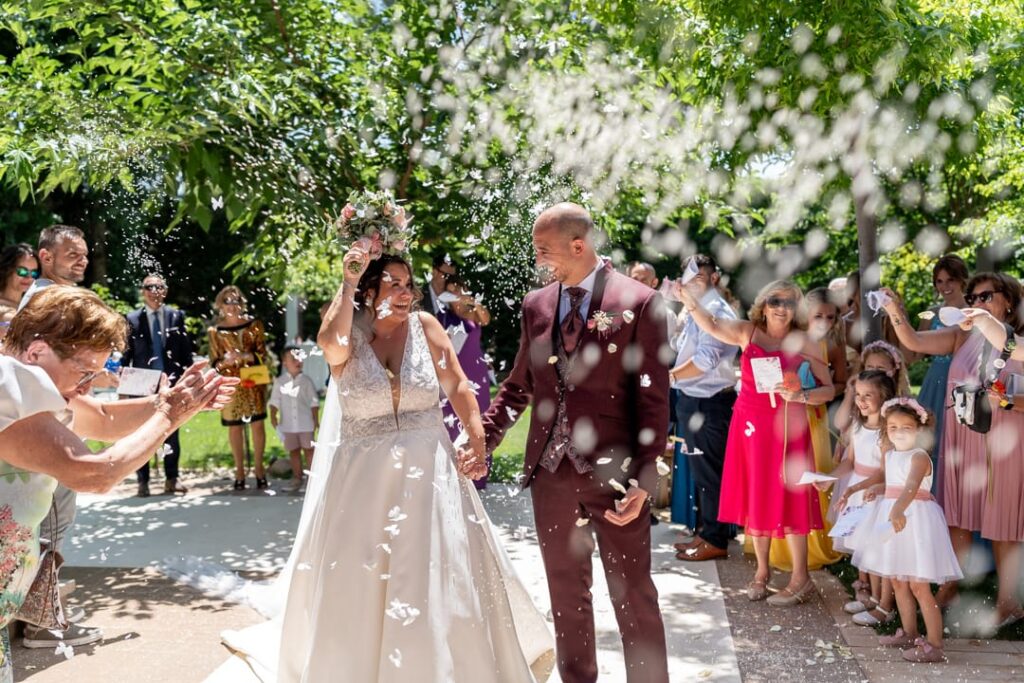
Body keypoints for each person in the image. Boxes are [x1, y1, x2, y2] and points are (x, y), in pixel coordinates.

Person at [217, 241, 554, 680]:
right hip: (362, 485)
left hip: (431, 476)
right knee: (363, 578)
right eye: (391, 283)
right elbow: (327, 343)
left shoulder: (427, 326)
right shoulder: (347, 336)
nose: (403, 291)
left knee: (434, 572)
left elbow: (458, 387)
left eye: (408, 284)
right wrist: (349, 276)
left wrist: (477, 442)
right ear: (369, 291)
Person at [0, 285, 235, 680]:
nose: (89, 385)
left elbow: (105, 419)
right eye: (84, 371)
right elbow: (95, 472)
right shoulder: (9, 387)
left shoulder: (40, 390)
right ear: (36, 351)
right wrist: (170, 417)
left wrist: (171, 402)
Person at [483, 203, 670, 683]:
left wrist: (645, 481)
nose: (538, 259)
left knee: (633, 594)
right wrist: (485, 439)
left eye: (544, 250)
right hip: (552, 475)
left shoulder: (641, 302)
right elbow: (519, 382)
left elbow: (654, 399)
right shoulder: (537, 304)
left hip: (616, 476)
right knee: (566, 596)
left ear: (578, 245)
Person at [880, 274, 1024, 627]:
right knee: (957, 514)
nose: (975, 304)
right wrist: (894, 309)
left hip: (1005, 438)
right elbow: (912, 341)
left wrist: (1004, 402)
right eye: (972, 298)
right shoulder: (962, 335)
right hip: (963, 438)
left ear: (1008, 300)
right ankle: (949, 587)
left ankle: (1009, 603)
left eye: (985, 296)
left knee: (1002, 521)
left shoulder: (1018, 343)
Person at [680, 279, 834, 606]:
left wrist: (802, 395)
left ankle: (800, 578)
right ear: (764, 303)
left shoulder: (804, 341)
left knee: (792, 496)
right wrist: (690, 302)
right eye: (775, 300)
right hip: (749, 427)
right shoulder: (747, 332)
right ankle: (762, 572)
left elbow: (829, 389)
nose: (782, 308)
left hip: (788, 429)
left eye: (790, 302)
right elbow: (712, 324)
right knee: (757, 496)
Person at [844, 398, 963, 663]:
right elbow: (893, 484)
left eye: (906, 427)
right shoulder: (891, 455)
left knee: (919, 585)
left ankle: (934, 643)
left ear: (920, 430)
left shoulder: (919, 456)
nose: (899, 432)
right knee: (897, 581)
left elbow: (910, 487)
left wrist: (897, 508)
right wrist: (877, 490)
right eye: (893, 427)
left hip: (915, 520)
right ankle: (909, 632)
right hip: (895, 520)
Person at [669, 254, 738, 562]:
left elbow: (706, 361)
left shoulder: (716, 309)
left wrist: (669, 376)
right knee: (701, 472)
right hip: (694, 400)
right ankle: (705, 532)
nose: (691, 286)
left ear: (713, 279)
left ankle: (716, 540)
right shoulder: (696, 310)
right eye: (688, 279)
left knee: (711, 474)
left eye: (698, 279)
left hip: (708, 403)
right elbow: (682, 347)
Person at [821, 370, 897, 626]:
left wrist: (861, 489)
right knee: (865, 549)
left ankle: (884, 605)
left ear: (884, 397)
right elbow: (851, 462)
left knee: (877, 550)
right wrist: (830, 477)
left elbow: (886, 472)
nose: (862, 401)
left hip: (876, 494)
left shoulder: (887, 432)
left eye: (868, 395)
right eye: (858, 395)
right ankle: (872, 599)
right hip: (857, 491)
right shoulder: (857, 426)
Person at [121, 273, 195, 497]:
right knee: (141, 433)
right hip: (141, 384)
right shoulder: (132, 319)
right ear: (142, 291)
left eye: (159, 286)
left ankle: (172, 478)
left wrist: (189, 380)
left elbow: (184, 351)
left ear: (166, 290)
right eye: (149, 287)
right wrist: (123, 388)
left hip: (170, 382)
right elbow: (126, 355)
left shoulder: (176, 316)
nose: (154, 291)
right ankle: (142, 481)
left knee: (171, 430)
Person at [425, 255, 493, 488]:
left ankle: (477, 475)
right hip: (449, 375)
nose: (448, 280)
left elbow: (485, 319)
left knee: (477, 418)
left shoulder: (468, 308)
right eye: (444, 274)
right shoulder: (440, 312)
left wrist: (467, 299)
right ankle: (450, 475)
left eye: (452, 277)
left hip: (475, 374)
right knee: (449, 421)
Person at [915, 254, 969, 500]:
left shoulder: (975, 312)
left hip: (963, 381)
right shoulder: (930, 314)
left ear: (962, 280)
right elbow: (914, 353)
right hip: (935, 381)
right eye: (939, 281)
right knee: (930, 441)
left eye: (951, 280)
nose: (945, 286)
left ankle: (959, 502)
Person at [208, 286, 270, 490]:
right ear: (220, 305)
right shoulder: (215, 331)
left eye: (236, 301)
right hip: (230, 384)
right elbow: (214, 364)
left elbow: (264, 356)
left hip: (253, 381)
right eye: (227, 301)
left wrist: (245, 356)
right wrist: (226, 362)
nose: (232, 306)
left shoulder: (254, 325)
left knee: (257, 425)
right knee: (234, 427)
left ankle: (259, 469)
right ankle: (240, 471)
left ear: (241, 303)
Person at [268, 345, 320, 491]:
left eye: (299, 357)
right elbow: (274, 401)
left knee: (309, 451)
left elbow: (314, 402)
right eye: (293, 358)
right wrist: (273, 415)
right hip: (288, 425)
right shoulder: (280, 382)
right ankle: (297, 479)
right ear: (285, 362)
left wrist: (315, 419)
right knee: (294, 452)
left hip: (306, 424)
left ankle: (311, 481)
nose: (298, 360)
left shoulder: (306, 381)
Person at [0, 243, 38, 338]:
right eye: (22, 271)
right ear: (7, 270)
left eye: (34, 273)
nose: (29, 277)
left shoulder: (34, 305)